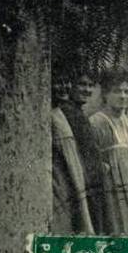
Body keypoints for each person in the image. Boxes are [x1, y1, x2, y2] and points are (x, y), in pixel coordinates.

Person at [89, 70, 128, 235]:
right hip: (111, 187)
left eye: (126, 91)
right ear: (105, 94)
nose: (123, 96)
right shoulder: (97, 122)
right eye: (117, 91)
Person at [59, 69, 104, 232]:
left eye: (90, 85)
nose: (87, 90)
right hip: (81, 178)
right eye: (82, 84)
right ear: (71, 86)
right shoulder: (68, 112)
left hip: (91, 178)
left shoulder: (79, 112)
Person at [51, 73, 96, 235]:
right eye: (58, 82)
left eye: (67, 82)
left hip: (77, 178)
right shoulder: (63, 113)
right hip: (63, 180)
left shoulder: (62, 113)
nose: (64, 87)